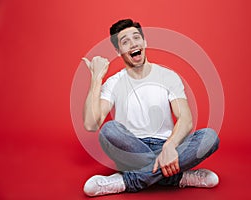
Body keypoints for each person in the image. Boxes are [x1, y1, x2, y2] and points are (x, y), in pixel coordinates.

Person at [82, 19, 220, 197]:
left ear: (144, 42)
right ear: (118, 51)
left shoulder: (168, 76)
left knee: (209, 137)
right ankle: (177, 177)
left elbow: (186, 119)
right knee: (109, 130)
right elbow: (91, 124)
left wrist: (170, 146)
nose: (133, 43)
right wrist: (96, 78)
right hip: (131, 148)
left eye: (136, 37)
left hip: (167, 146)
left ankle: (127, 181)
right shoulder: (113, 83)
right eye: (125, 41)